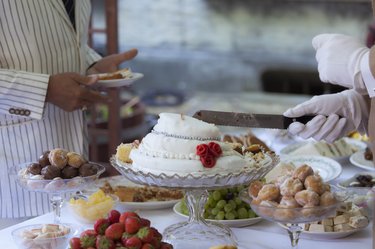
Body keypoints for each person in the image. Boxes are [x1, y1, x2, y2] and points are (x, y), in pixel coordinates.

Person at [0, 0, 137, 224]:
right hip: (11, 184)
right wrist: (45, 90)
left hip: (73, 181)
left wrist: (92, 67)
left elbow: (59, 41)